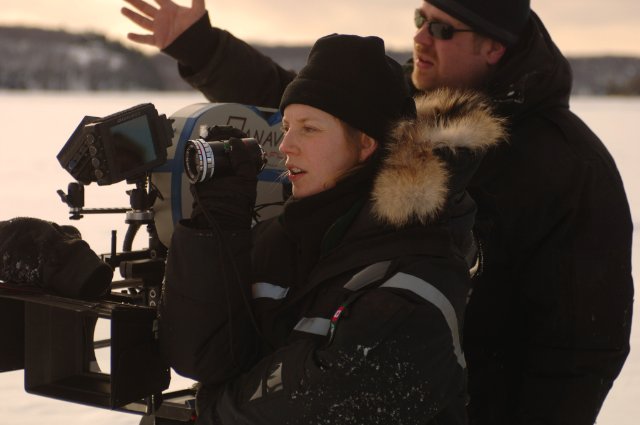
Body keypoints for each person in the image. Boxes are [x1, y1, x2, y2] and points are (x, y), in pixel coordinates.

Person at [122, 1, 635, 424]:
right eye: (420, 18)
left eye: (442, 29)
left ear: (493, 46)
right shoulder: (403, 113)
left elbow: (586, 340)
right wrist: (205, 50)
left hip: (476, 397)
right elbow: (312, 108)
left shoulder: (566, 162)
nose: (421, 37)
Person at [158, 33, 504, 424]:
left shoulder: (420, 265)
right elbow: (202, 355)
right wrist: (218, 221)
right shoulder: (287, 234)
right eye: (286, 126)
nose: (286, 145)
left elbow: (318, 400)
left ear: (366, 143)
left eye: (309, 129)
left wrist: (211, 407)